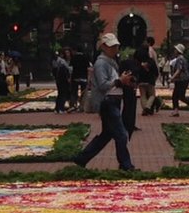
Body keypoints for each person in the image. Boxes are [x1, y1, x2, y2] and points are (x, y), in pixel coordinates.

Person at [74, 33, 135, 171]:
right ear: (104, 47)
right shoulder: (101, 63)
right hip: (108, 102)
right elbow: (102, 85)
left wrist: (124, 82)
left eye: (116, 46)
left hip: (113, 101)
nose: (115, 49)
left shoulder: (111, 61)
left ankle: (82, 158)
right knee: (121, 134)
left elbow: (112, 82)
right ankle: (125, 165)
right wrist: (120, 81)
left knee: (106, 135)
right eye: (112, 46)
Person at [167, 45, 189, 112]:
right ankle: (176, 111)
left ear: (178, 51)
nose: (174, 51)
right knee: (177, 96)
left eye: (175, 50)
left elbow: (179, 70)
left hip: (181, 80)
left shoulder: (180, 59)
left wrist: (172, 78)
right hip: (182, 80)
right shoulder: (182, 58)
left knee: (178, 96)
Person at [51, 48, 74, 113]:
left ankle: (57, 108)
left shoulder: (64, 61)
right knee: (63, 93)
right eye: (66, 53)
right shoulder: (62, 61)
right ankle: (60, 108)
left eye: (68, 53)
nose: (67, 54)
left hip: (62, 79)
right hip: (62, 80)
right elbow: (66, 70)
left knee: (62, 93)